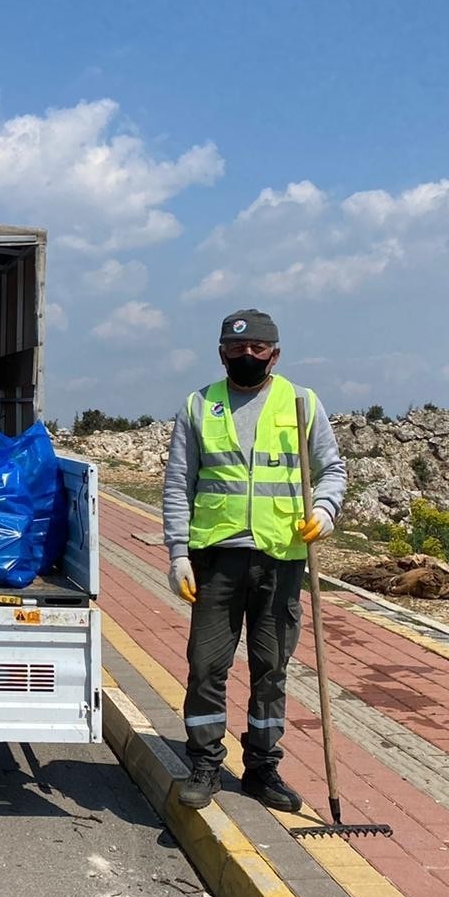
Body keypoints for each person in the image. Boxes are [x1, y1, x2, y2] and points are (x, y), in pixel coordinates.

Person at [161, 309, 347, 812]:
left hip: (282, 556)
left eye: (257, 349)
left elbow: (333, 468)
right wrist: (178, 553)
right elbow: (179, 483)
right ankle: (204, 762)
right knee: (206, 666)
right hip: (217, 558)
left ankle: (262, 768)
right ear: (221, 352)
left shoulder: (301, 403)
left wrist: (326, 511)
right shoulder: (199, 406)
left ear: (275, 353)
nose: (246, 356)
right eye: (236, 349)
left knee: (272, 667)